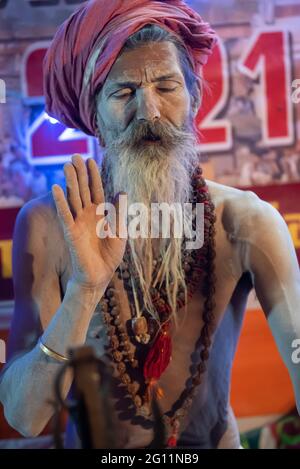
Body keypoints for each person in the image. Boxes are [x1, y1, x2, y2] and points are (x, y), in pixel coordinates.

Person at [0, 0, 299, 449]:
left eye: (167, 87)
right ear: (94, 116)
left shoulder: (247, 221)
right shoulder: (48, 226)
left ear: (194, 98)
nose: (150, 112)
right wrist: (84, 289)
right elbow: (25, 416)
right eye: (124, 93)